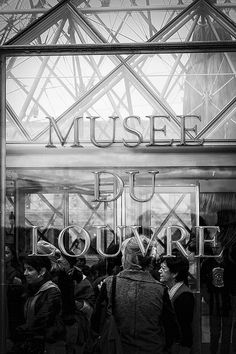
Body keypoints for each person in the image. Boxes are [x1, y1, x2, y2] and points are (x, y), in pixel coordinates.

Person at [93, 236, 179, 354]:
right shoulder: (160, 289)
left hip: (117, 347)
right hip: (152, 348)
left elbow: (95, 324)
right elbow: (172, 329)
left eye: (123, 254)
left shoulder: (109, 283)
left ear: (128, 258)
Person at [13, 255, 65, 354]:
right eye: (25, 269)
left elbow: (43, 318)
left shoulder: (52, 291)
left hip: (47, 344)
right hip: (33, 342)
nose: (25, 273)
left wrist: (22, 329)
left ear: (42, 271)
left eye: (30, 269)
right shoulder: (32, 289)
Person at [159, 250, 195, 354]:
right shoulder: (168, 289)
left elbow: (183, 328)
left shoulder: (184, 296)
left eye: (163, 268)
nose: (159, 271)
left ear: (174, 273)